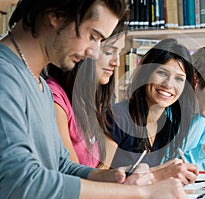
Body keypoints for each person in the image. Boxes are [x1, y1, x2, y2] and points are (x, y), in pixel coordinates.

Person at [0, 0, 188, 198]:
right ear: (55, 13)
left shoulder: (40, 85)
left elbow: (62, 166)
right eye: (93, 36)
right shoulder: (5, 76)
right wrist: (139, 193)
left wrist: (118, 176)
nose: (94, 52)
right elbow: (19, 181)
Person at [106, 38, 199, 184]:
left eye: (179, 79)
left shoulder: (167, 126)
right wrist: (160, 174)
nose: (168, 84)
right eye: (162, 73)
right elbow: (96, 177)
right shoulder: (118, 117)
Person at [44, 14, 128, 168]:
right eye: (109, 51)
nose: (117, 63)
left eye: (120, 53)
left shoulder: (93, 100)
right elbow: (73, 177)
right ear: (86, 50)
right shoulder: (55, 98)